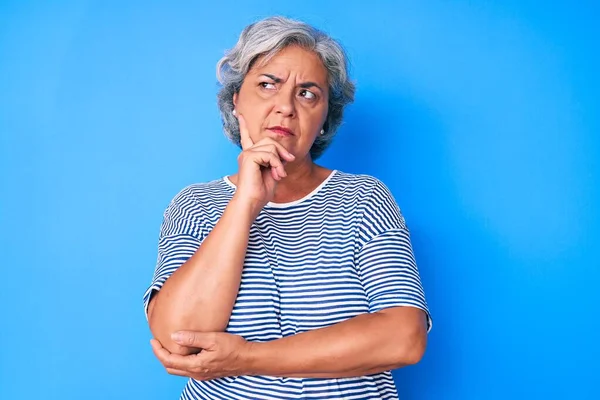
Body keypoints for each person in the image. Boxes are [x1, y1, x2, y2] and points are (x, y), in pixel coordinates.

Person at [143, 16, 432, 400]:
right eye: (267, 85)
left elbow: (403, 338)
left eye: (307, 93)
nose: (285, 107)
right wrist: (245, 203)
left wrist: (248, 357)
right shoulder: (194, 205)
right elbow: (178, 339)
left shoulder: (364, 199)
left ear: (325, 118)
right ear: (236, 101)